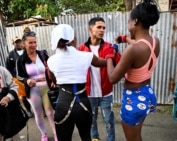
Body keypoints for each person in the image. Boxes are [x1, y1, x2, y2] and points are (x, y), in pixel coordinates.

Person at [47, 24, 114, 141]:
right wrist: (111, 56)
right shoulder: (87, 56)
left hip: (63, 105)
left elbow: (54, 80)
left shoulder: (51, 60)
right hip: (83, 105)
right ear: (74, 39)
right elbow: (104, 63)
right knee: (86, 137)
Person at [106, 0, 160, 141]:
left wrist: (108, 57)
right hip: (147, 94)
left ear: (135, 21)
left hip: (133, 99)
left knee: (133, 139)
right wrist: (125, 39)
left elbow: (112, 78)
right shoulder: (155, 41)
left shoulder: (133, 50)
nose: (128, 24)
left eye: (128, 21)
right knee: (136, 136)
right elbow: (139, 44)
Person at [78, 17, 121, 141]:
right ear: (90, 29)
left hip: (106, 92)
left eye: (104, 28)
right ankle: (95, 139)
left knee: (109, 121)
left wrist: (116, 53)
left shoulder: (109, 47)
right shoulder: (81, 49)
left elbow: (120, 64)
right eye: (99, 27)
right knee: (91, 121)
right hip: (89, 93)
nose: (102, 30)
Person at [15, 31, 57, 141]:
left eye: (35, 42)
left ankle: (56, 133)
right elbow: (18, 75)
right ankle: (44, 134)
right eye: (30, 42)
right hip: (33, 90)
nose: (33, 45)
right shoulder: (21, 59)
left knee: (50, 112)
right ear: (24, 44)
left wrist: (53, 80)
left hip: (46, 88)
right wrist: (27, 80)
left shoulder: (42, 54)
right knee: (38, 114)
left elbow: (51, 68)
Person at [5, 36, 34, 118]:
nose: (18, 44)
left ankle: (43, 110)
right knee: (23, 96)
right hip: (18, 79)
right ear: (13, 44)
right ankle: (28, 111)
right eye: (16, 42)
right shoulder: (11, 55)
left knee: (35, 92)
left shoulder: (28, 51)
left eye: (19, 42)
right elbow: (8, 68)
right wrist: (13, 78)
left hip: (30, 77)